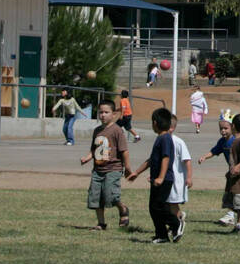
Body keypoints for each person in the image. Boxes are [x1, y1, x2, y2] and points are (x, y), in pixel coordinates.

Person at [79, 98, 131, 230]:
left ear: (113, 114)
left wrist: (128, 167)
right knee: (95, 197)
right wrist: (87, 158)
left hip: (113, 168)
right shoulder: (97, 131)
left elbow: (124, 150)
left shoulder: (117, 130)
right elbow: (94, 149)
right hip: (98, 170)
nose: (102, 115)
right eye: (100, 112)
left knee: (111, 196)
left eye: (106, 112)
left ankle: (123, 209)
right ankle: (101, 223)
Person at [126, 108, 176, 243]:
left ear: (154, 123)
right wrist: (136, 172)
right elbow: (151, 160)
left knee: (157, 207)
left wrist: (161, 177)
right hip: (157, 180)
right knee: (154, 208)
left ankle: (176, 224)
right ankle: (162, 235)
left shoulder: (165, 138)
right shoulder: (160, 138)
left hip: (164, 180)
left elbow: (166, 158)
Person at [199, 111, 237, 226]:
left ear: (232, 127)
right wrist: (204, 157)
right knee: (232, 193)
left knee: (238, 194)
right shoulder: (222, 142)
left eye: (226, 128)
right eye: (221, 128)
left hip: (239, 172)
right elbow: (214, 151)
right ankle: (236, 215)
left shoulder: (236, 140)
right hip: (231, 172)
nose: (223, 131)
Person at [168, 114, 192, 240]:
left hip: (176, 180)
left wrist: (189, 177)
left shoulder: (178, 142)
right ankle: (177, 220)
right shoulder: (162, 140)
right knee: (166, 203)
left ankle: (179, 223)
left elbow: (187, 160)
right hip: (165, 178)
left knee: (172, 203)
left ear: (171, 128)